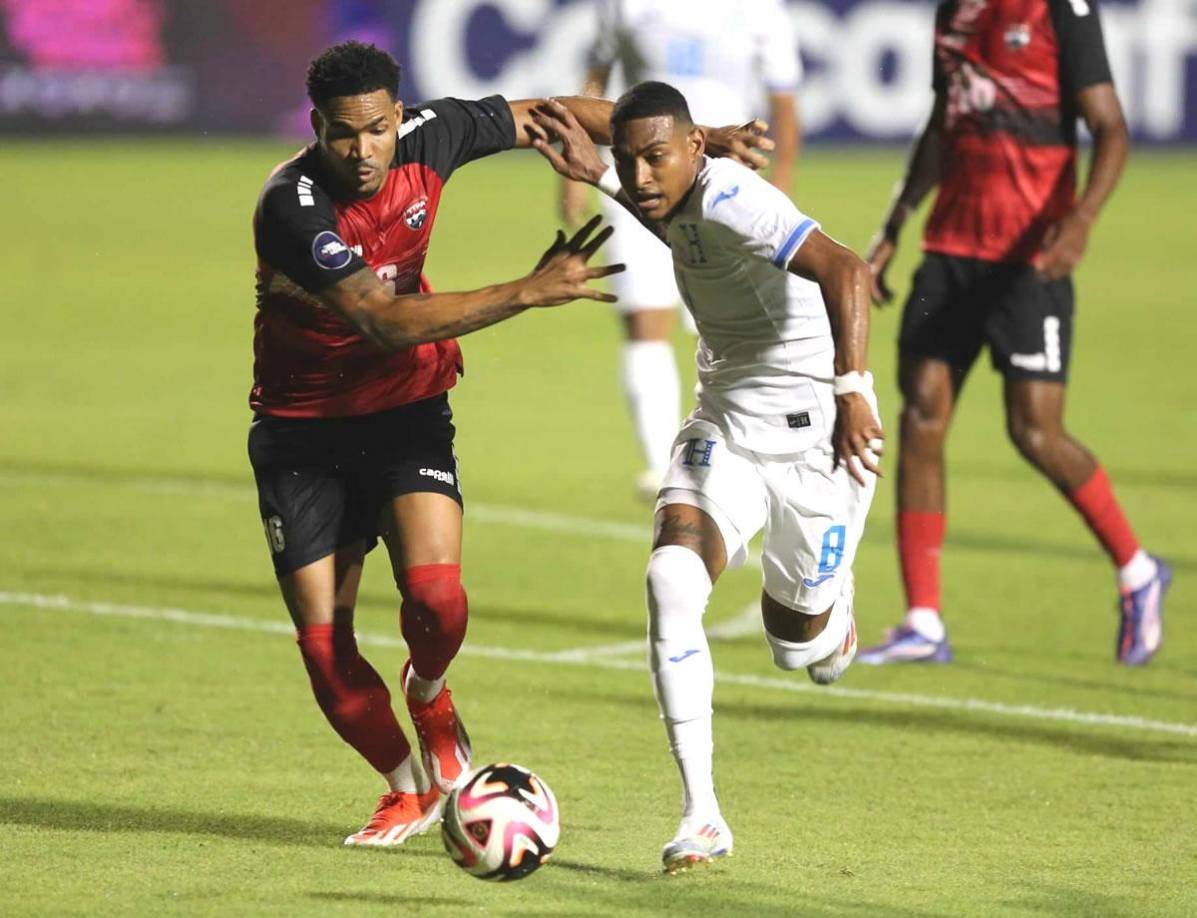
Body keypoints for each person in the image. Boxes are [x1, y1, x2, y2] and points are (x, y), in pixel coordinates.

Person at [249, 41, 772, 848]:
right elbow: (379, 319)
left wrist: (703, 135)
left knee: (436, 600)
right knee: (324, 651)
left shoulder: (432, 133)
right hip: (301, 430)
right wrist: (526, 291)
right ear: (318, 126)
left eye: (378, 130)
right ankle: (407, 789)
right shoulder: (291, 206)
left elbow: (548, 114)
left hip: (404, 406)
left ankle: (429, 690)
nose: (364, 152)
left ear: (397, 115)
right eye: (344, 135)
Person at [530, 83, 882, 872]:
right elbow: (651, 191)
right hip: (722, 422)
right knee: (669, 580)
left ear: (695, 148)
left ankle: (832, 611)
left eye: (657, 155)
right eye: (632, 158)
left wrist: (852, 391)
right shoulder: (665, 180)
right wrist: (601, 172)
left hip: (816, 440)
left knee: (800, 649)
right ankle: (702, 814)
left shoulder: (736, 197)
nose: (642, 173)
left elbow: (847, 270)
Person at [858, 0, 1171, 666]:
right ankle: (922, 619)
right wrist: (893, 226)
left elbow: (1109, 128)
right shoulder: (951, 13)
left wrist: (1081, 220)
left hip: (1028, 257)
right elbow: (942, 123)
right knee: (920, 415)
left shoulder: (1059, 10)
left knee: (1034, 430)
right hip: (949, 250)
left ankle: (1137, 568)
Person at [563, 0, 803, 499]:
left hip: (727, 181)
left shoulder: (761, 10)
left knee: (724, 326)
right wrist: (572, 160)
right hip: (640, 176)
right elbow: (596, 76)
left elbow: (784, 104)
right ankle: (660, 469)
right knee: (644, 319)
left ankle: (732, 455)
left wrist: (779, 186)